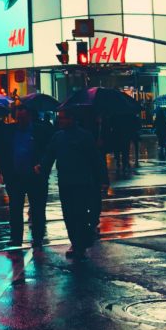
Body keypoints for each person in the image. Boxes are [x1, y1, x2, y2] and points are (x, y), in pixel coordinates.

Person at [38, 110, 108, 260]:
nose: (60, 121)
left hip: (82, 182)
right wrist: (42, 168)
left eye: (63, 118)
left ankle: (79, 244)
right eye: (60, 118)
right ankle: (77, 242)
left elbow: (95, 159)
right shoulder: (58, 136)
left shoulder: (84, 136)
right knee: (69, 215)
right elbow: (50, 155)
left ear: (72, 119)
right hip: (66, 182)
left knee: (80, 214)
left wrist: (102, 179)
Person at [0, 106, 49, 248]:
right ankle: (16, 238)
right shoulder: (9, 131)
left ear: (30, 116)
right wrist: (5, 171)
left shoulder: (40, 131)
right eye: (19, 116)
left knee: (38, 209)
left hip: (35, 176)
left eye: (24, 116)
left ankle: (38, 237)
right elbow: (3, 151)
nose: (21, 119)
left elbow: (48, 151)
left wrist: (42, 166)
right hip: (15, 177)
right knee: (15, 208)